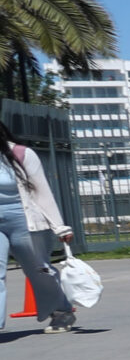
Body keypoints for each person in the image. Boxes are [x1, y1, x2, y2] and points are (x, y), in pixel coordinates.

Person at [0, 142, 75, 333]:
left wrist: (59, 227)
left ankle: (61, 312)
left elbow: (42, 192)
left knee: (39, 269)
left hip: (25, 220)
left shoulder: (21, 154)